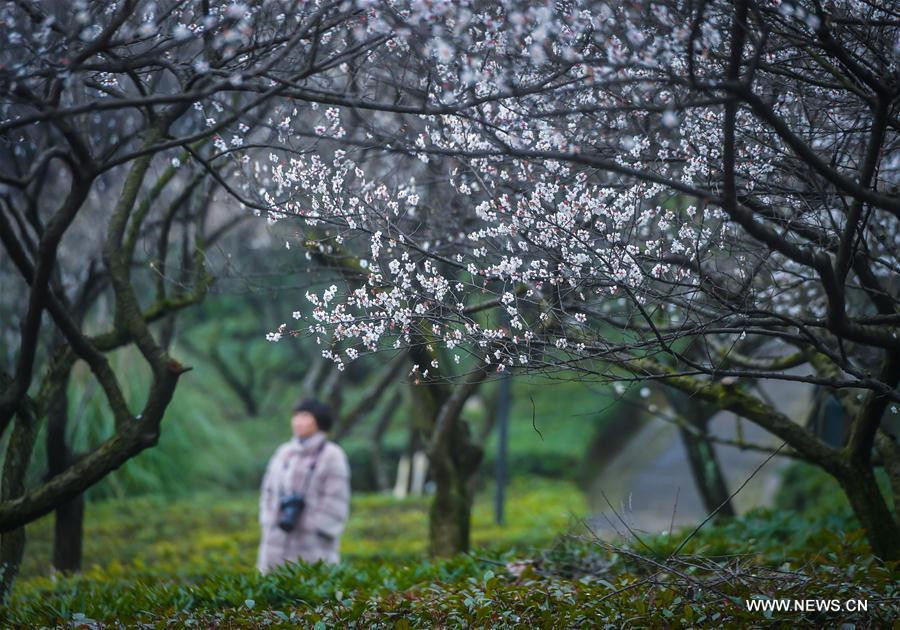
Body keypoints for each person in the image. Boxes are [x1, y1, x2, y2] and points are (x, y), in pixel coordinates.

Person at [257, 399, 351, 573]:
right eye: (296, 416)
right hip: (276, 537)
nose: (298, 421)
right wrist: (269, 519)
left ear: (319, 420)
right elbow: (268, 490)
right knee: (272, 584)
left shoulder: (332, 454)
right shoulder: (284, 452)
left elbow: (336, 497)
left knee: (310, 585)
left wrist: (317, 525)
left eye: (305, 416)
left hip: (313, 544)